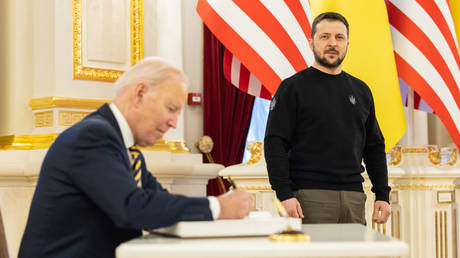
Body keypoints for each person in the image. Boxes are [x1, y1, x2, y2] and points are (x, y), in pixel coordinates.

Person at [19, 57, 253, 258]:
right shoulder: (92, 136)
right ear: (140, 93)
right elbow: (133, 208)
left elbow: (158, 203)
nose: (174, 123)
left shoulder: (127, 151)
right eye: (171, 108)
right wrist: (217, 206)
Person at [264, 12, 391, 225]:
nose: (332, 43)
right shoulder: (292, 88)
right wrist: (284, 194)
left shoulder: (361, 90)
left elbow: (374, 147)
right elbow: (274, 143)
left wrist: (382, 195)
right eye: (324, 37)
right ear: (311, 42)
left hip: (354, 198)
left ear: (347, 43)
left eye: (339, 37)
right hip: (308, 197)